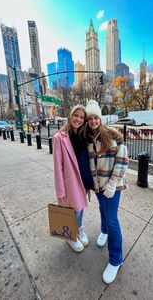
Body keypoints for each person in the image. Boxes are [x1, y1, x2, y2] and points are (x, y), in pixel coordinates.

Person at [85, 100, 129, 284]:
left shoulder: (112, 135)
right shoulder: (86, 138)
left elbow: (123, 159)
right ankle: (103, 231)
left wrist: (112, 184)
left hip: (112, 186)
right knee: (102, 211)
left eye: (96, 117)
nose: (93, 121)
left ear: (100, 118)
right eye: (90, 118)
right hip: (97, 186)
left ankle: (115, 259)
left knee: (112, 220)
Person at [53, 105, 93, 252]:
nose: (78, 119)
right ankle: (70, 236)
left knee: (80, 207)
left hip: (84, 178)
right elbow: (58, 167)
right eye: (76, 115)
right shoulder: (59, 137)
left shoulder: (83, 134)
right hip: (71, 181)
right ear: (70, 116)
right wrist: (60, 192)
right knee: (73, 210)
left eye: (82, 117)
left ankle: (79, 228)